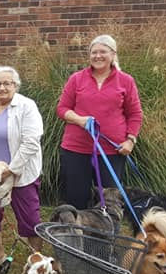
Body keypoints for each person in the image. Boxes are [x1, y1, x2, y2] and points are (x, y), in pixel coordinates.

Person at [57, 34, 143, 209]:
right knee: (76, 198)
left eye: (103, 51)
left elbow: (135, 113)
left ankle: (105, 235)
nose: (97, 56)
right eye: (93, 52)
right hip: (76, 149)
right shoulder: (76, 79)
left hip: (112, 151)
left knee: (108, 200)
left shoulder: (126, 81)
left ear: (113, 54)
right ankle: (76, 234)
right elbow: (62, 108)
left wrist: (130, 140)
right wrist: (79, 120)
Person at [0, 66, 44, 263]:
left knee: (29, 217)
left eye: (7, 83)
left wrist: (11, 170)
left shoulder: (26, 106)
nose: (2, 87)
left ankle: (36, 257)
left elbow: (31, 142)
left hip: (20, 172)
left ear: (16, 85)